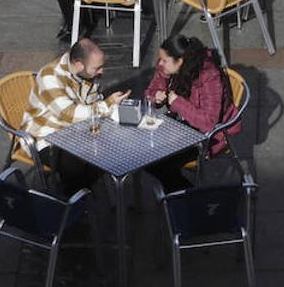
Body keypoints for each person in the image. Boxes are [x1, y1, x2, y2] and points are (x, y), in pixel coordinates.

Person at [23, 39, 130, 194]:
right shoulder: (50, 76)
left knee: (111, 152)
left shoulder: (85, 74)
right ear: (79, 64)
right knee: (75, 166)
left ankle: (82, 193)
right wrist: (106, 105)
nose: (102, 71)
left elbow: (92, 102)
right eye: (97, 68)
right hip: (45, 137)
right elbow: (68, 113)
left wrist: (112, 106)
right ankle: (72, 206)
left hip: (76, 132)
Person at [142, 35, 241, 192]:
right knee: (144, 155)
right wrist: (156, 97)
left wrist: (177, 102)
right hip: (178, 126)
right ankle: (181, 195)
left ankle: (188, 198)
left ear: (180, 61)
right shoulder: (168, 67)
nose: (160, 64)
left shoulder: (209, 76)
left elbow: (208, 122)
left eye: (164, 60)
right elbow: (151, 91)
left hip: (206, 137)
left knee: (159, 164)